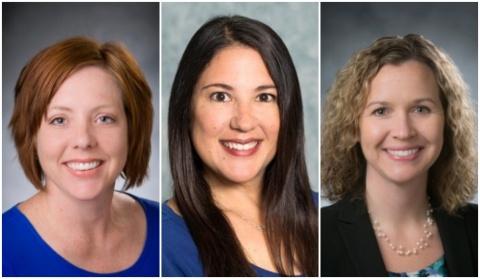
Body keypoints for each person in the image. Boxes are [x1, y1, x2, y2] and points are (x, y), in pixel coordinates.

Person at [162, 15, 318, 276]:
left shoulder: (329, 219)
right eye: (221, 96)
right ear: (185, 109)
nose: (244, 122)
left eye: (264, 97)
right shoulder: (164, 247)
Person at [321, 34, 477, 276]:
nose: (403, 132)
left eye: (421, 109)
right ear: (352, 127)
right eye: (381, 111)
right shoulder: (316, 235)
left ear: (447, 122)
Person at [3, 37, 159, 276]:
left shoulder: (170, 230)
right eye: (59, 120)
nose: (83, 140)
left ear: (132, 128)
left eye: (104, 118)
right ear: (32, 134)